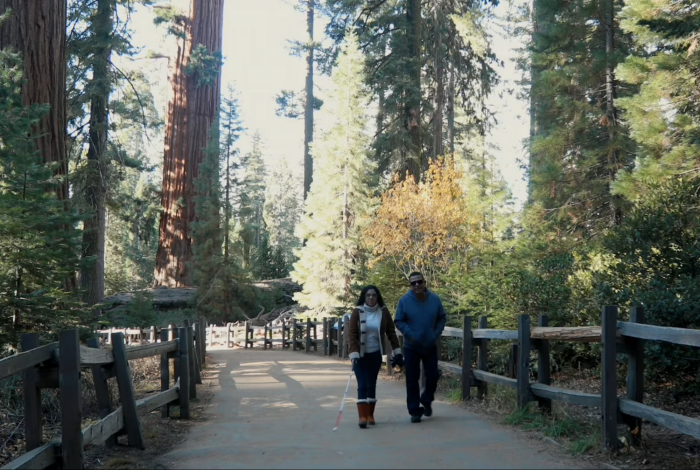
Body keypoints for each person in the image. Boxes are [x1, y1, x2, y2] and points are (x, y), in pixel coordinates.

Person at [347, 285, 404, 428]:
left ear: (377, 297)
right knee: (362, 384)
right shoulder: (357, 312)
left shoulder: (383, 312)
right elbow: (352, 334)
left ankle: (370, 415)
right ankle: (362, 417)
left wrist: (397, 351)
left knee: (371, 383)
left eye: (373, 295)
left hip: (375, 354)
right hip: (360, 356)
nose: (371, 297)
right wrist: (353, 353)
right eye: (368, 295)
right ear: (364, 297)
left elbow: (391, 332)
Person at [394, 271, 446, 423]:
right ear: (410, 285)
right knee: (412, 379)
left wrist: (434, 334)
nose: (416, 285)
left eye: (419, 282)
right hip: (411, 345)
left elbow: (442, 318)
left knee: (433, 375)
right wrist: (411, 334)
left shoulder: (434, 299)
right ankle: (415, 411)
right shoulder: (404, 301)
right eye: (413, 283)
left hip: (429, 344)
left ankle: (427, 398)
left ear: (424, 283)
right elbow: (399, 321)